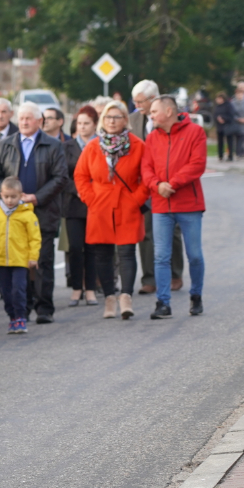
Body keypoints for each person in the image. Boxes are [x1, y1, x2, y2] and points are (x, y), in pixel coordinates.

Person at [0, 102, 68, 323]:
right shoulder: (6, 144)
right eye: (21, 118)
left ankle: (44, 308)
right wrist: (8, 194)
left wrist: (36, 197)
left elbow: (60, 177)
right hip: (11, 214)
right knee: (19, 263)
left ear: (39, 121)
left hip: (43, 211)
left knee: (42, 261)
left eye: (28, 118)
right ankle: (24, 306)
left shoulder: (52, 145)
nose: (23, 122)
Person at [74, 101, 147, 320]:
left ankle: (126, 296)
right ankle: (109, 297)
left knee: (126, 252)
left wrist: (136, 199)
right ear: (102, 121)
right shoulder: (93, 146)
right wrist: (90, 199)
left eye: (116, 117)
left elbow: (147, 177)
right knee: (102, 254)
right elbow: (80, 176)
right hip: (100, 205)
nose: (112, 121)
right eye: (108, 117)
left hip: (127, 204)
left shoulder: (137, 145)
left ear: (126, 120)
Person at [143, 96, 207, 319]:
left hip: (189, 204)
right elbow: (146, 168)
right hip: (161, 205)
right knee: (161, 256)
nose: (150, 115)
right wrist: (156, 185)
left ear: (168, 111)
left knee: (195, 255)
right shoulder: (151, 138)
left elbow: (197, 164)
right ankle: (163, 303)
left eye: (153, 111)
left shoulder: (195, 132)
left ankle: (196, 295)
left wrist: (173, 184)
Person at [131, 80, 183, 294]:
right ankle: (149, 278)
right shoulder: (133, 119)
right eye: (135, 101)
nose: (137, 106)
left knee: (172, 231)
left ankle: (175, 273)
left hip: (169, 184)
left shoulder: (171, 121)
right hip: (143, 184)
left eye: (141, 101)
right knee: (146, 231)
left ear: (153, 99)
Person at [0, 178, 40, 334]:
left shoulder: (27, 214)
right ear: (1, 195)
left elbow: (34, 238)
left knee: (19, 290)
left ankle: (20, 317)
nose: (9, 200)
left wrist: (33, 257)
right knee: (6, 292)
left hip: (20, 260)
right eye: (6, 197)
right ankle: (12, 317)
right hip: (1, 260)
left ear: (20, 195)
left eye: (13, 197)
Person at [59, 106, 99, 307]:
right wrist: (80, 190)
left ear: (94, 125)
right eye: (80, 123)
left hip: (96, 204)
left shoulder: (101, 145)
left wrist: (93, 192)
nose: (82, 127)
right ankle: (76, 288)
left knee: (92, 248)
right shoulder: (67, 147)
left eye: (86, 123)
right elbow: (62, 176)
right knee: (75, 247)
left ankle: (90, 289)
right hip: (74, 204)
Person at [212, 92, 233, 161]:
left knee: (229, 141)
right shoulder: (217, 106)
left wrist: (223, 118)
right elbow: (214, 115)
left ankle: (230, 155)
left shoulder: (228, 105)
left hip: (227, 126)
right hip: (219, 127)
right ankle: (220, 155)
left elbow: (231, 115)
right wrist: (218, 119)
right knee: (220, 142)